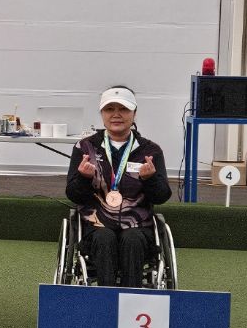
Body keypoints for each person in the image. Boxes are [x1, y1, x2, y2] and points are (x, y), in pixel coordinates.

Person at [65, 85, 171, 287]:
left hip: (138, 226)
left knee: (132, 239)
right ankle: (107, 300)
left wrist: (150, 179)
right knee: (104, 238)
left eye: (123, 109)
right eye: (109, 109)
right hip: (96, 225)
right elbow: (73, 195)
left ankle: (131, 299)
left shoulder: (150, 150)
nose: (116, 115)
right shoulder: (85, 148)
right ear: (102, 113)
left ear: (134, 113)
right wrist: (83, 178)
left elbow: (162, 196)